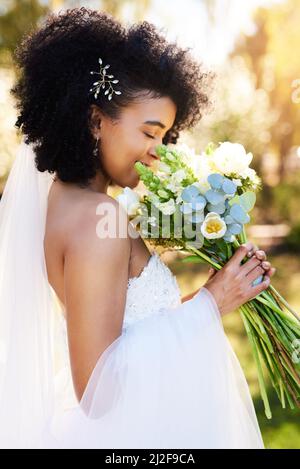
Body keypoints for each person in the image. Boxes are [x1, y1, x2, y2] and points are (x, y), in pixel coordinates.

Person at [0, 7, 275, 449]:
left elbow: (123, 330)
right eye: (149, 133)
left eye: (165, 137)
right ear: (94, 121)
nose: (159, 152)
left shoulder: (67, 202)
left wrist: (215, 293)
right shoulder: (96, 218)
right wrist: (209, 303)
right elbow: (98, 392)